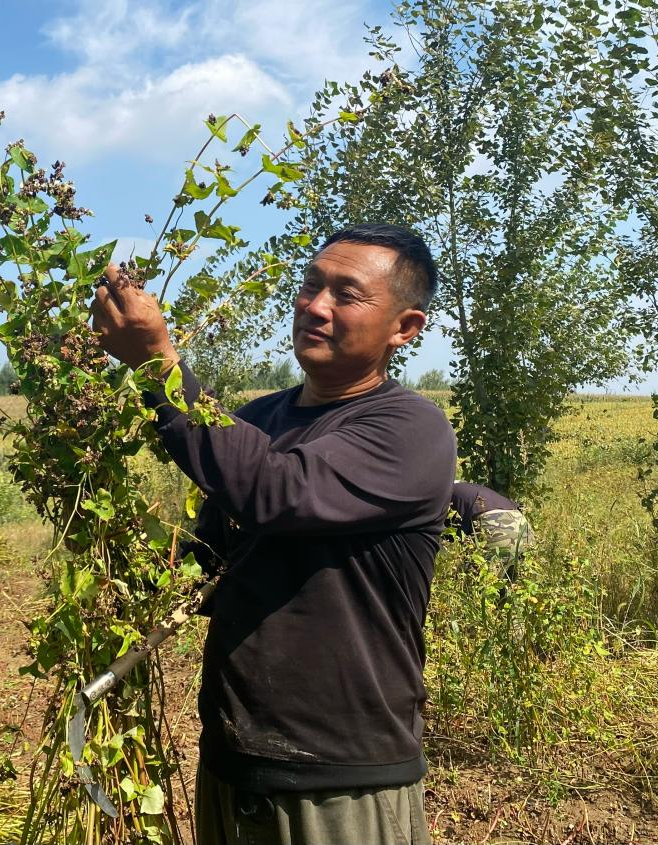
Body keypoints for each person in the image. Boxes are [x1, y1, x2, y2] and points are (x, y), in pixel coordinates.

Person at [91, 223, 454, 845]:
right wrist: (111, 551)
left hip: (340, 774)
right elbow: (211, 559)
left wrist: (158, 366)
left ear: (404, 328)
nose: (315, 306)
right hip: (234, 755)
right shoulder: (259, 418)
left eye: (346, 294)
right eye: (311, 286)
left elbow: (275, 494)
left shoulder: (410, 429)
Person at [447, 481, 535, 582]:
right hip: (524, 528)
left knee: (469, 585)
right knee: (514, 589)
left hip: (497, 528)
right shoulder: (469, 488)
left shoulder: (442, 493)